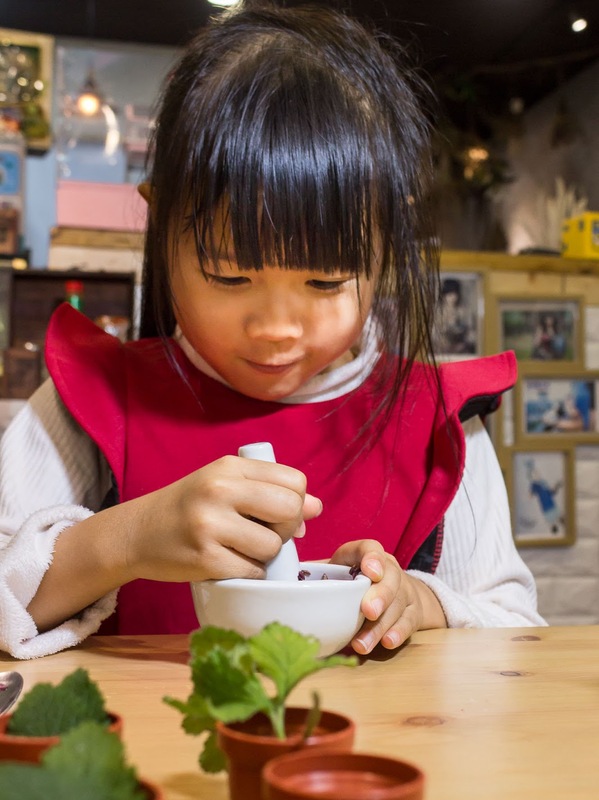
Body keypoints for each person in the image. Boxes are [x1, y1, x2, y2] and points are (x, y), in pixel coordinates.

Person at [0, 1, 545, 660]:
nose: (275, 330)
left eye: (324, 284)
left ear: (383, 250)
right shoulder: (89, 401)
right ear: (159, 222)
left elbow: (512, 625)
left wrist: (419, 602)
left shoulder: (437, 420)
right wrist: (128, 539)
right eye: (229, 278)